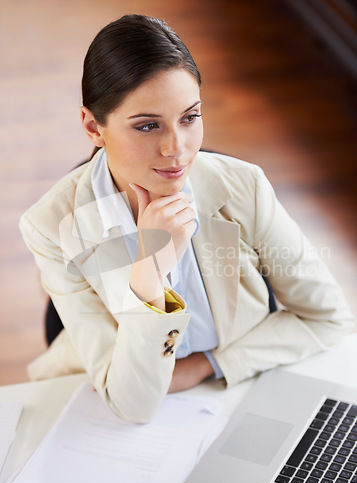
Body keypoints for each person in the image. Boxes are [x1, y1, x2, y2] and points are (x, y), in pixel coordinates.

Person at [20, 14, 354, 423]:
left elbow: (328, 317)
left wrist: (206, 365)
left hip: (239, 387)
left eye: (190, 117)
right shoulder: (51, 226)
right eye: (147, 126)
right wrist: (150, 276)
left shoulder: (243, 187)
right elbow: (134, 405)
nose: (177, 149)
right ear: (93, 126)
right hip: (117, 411)